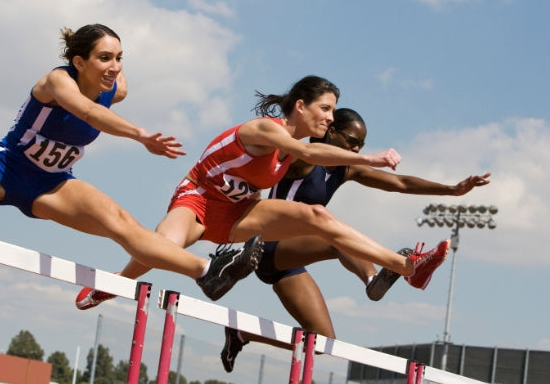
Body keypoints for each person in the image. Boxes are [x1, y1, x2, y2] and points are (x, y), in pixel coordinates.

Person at [0, 24, 262, 302]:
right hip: (4, 168)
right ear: (79, 60)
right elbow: (86, 112)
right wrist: (141, 136)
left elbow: (101, 100)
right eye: (105, 58)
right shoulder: (56, 81)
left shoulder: (115, 88)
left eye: (120, 57)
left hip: (52, 183)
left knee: (122, 225)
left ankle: (209, 269)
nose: (115, 67)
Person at [78, 76, 449, 311]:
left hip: (240, 212)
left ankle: (407, 267)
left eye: (333, 112)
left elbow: (311, 153)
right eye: (326, 108)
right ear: (300, 106)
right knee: (162, 245)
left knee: (318, 216)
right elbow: (310, 153)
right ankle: (114, 284)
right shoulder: (265, 130)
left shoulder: (294, 146)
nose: (331, 118)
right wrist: (372, 158)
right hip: (199, 200)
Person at [218, 108, 491, 372]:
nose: (357, 150)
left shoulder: (345, 169)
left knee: (323, 342)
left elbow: (400, 183)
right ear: (331, 131)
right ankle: (374, 279)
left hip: (288, 262)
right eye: (352, 142)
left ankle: (242, 334)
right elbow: (276, 152)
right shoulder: (303, 159)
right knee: (331, 230)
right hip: (268, 245)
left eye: (361, 145)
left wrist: (451, 190)